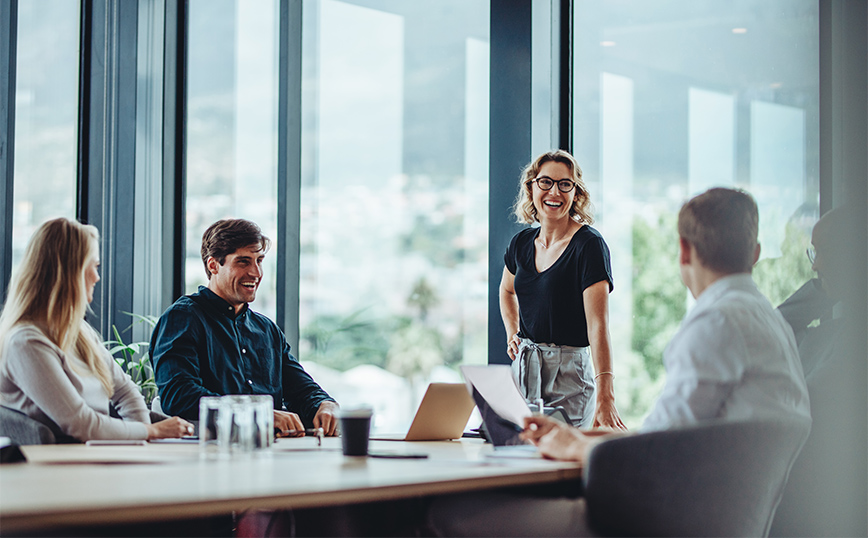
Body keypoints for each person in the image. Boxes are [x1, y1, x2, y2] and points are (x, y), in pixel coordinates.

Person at [428, 188, 811, 537]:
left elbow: (658, 455)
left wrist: (575, 446)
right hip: (715, 520)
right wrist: (577, 437)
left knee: (446, 514)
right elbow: (676, 435)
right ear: (756, 253)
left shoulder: (716, 323)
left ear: (684, 251)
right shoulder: (770, 323)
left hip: (653, 521)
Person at [0, 218, 193, 442]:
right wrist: (152, 431)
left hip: (93, 455)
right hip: (56, 466)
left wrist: (141, 439)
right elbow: (80, 424)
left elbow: (125, 391)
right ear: (70, 272)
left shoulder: (79, 331)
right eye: (94, 266)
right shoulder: (26, 343)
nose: (97, 277)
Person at [151, 218, 339, 436]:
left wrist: (325, 404)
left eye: (259, 261)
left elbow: (301, 388)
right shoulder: (183, 318)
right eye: (243, 262)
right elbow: (179, 396)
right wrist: (258, 413)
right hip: (207, 455)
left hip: (271, 454)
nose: (256, 273)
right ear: (213, 265)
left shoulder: (267, 329)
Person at [500, 149, 624, 429]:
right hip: (524, 369)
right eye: (545, 182)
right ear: (531, 187)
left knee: (562, 464)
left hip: (569, 375)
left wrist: (607, 395)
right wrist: (512, 333)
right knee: (520, 459)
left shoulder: (589, 246)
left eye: (564, 184)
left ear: (576, 193)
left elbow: (598, 326)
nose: (554, 192)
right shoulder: (520, 243)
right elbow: (507, 291)